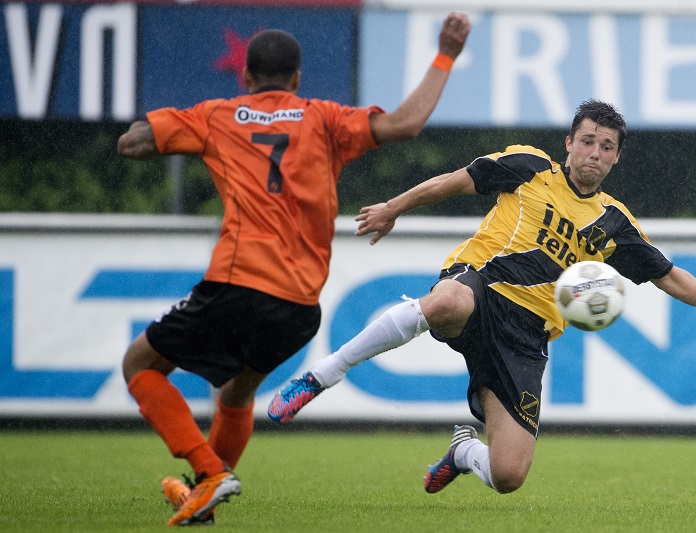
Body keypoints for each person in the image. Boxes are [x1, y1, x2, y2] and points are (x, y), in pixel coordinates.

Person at [268, 99, 696, 495]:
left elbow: (667, 274)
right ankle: (321, 375)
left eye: (606, 146)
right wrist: (393, 207)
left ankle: (463, 452)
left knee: (508, 476)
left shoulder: (617, 222)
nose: (594, 152)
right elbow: (453, 182)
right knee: (444, 303)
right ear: (569, 143)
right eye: (587, 141)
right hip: (482, 285)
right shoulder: (528, 167)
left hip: (526, 338)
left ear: (616, 157)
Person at [116, 12, 471, 527]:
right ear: (298, 80)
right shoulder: (325, 119)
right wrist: (446, 54)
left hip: (238, 283)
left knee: (140, 365)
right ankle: (202, 499)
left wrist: (164, 129)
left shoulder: (219, 115)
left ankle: (209, 471)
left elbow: (134, 143)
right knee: (238, 391)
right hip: (300, 306)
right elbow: (405, 125)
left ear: (246, 77)